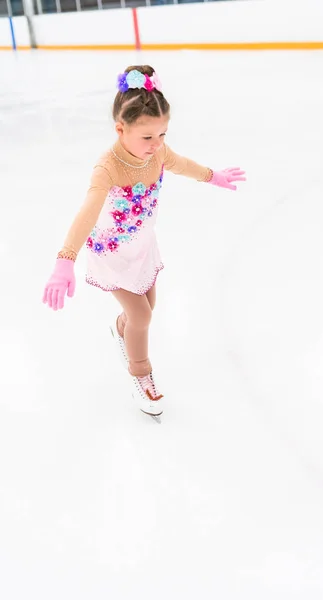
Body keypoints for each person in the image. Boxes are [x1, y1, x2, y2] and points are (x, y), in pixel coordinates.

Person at [42, 65, 246, 417]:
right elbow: (88, 212)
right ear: (120, 129)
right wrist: (65, 260)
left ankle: (120, 329)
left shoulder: (160, 153)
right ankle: (142, 375)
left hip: (142, 246)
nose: (157, 145)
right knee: (143, 316)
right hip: (112, 253)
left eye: (163, 134)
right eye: (147, 137)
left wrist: (213, 177)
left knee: (147, 307)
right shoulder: (107, 168)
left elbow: (180, 163)